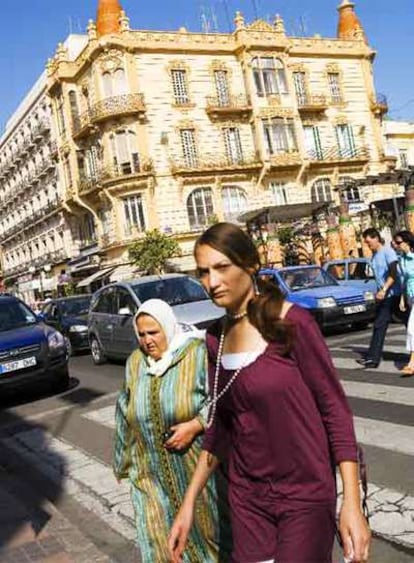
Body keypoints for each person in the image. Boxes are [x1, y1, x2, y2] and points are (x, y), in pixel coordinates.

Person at [169, 223, 370, 563]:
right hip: (248, 498)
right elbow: (220, 428)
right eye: (203, 272)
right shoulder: (215, 338)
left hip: (304, 495)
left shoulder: (292, 324)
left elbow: (334, 411)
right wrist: (187, 505)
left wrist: (351, 501)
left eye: (222, 268)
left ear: (249, 265)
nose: (212, 282)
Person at [113, 298, 230, 562]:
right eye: (141, 334)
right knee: (158, 543)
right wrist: (122, 463)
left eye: (153, 332)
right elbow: (124, 411)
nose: (147, 341)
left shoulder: (197, 354)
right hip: (149, 474)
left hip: (196, 470)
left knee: (206, 539)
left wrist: (196, 424)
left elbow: (221, 399)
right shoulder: (135, 363)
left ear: (167, 327)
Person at [356, 227, 402, 369]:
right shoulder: (374, 256)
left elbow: (393, 273)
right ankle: (373, 358)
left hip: (395, 294)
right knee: (379, 326)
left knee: (403, 324)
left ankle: (373, 358)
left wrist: (384, 290)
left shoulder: (388, 252)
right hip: (385, 296)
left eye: (369, 242)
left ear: (376, 238)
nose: (368, 245)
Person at [393, 230, 414, 376]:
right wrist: (402, 298)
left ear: (408, 242)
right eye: (395, 243)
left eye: (399, 243)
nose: (397, 245)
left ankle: (412, 363)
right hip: (410, 295)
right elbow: (404, 280)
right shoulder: (401, 259)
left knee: (412, 329)